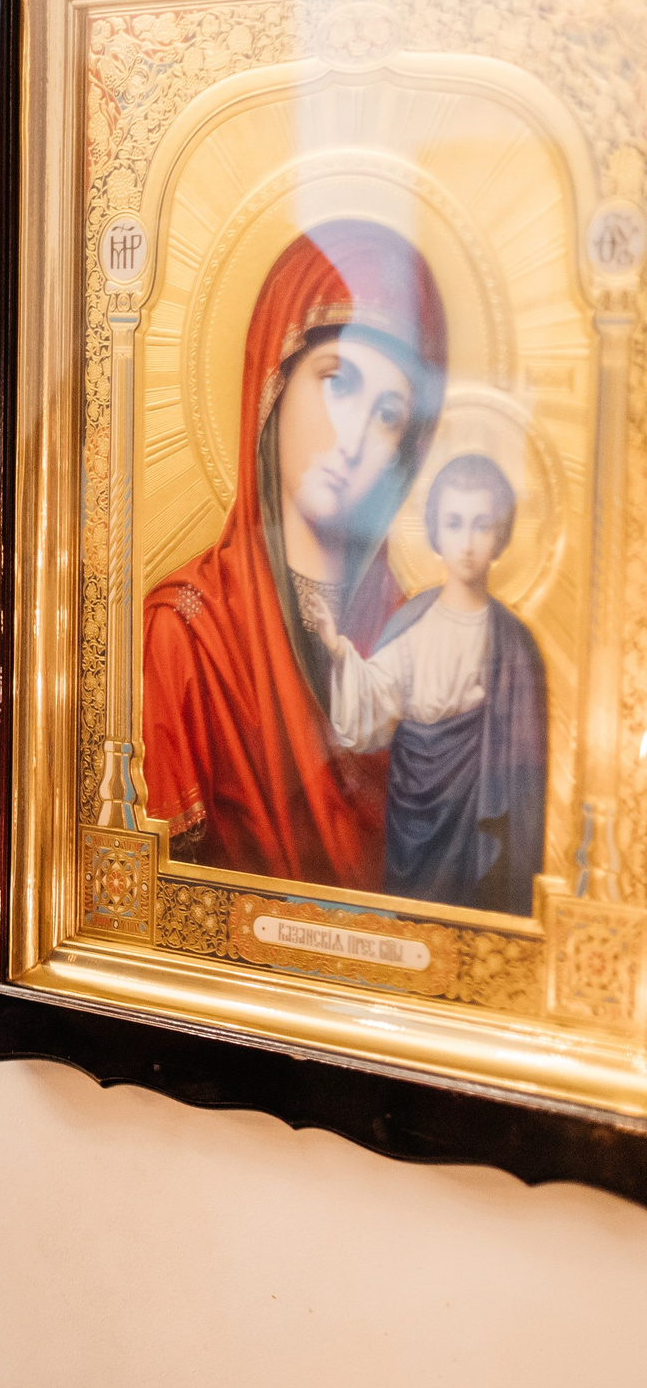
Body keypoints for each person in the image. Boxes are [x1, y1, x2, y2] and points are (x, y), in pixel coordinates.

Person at [140, 220, 449, 891]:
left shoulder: (421, 642)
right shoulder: (189, 634)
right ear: (273, 383)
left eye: (389, 414)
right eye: (338, 381)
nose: (353, 438)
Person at [322, 453, 546, 914]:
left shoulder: (516, 644)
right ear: (435, 532)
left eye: (482, 525)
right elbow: (372, 708)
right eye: (455, 523)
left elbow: (526, 772)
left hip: (484, 824)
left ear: (501, 535)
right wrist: (339, 652)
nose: (467, 543)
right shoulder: (414, 623)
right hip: (416, 824)